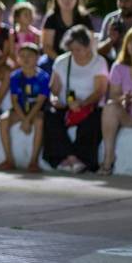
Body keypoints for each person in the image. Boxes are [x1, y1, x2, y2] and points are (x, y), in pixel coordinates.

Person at [43, 25, 108, 173]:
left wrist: (83, 103)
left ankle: (83, 159)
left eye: (78, 49)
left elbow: (100, 91)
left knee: (94, 120)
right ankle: (69, 158)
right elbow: (53, 90)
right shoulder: (61, 61)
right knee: (50, 115)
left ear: (87, 46)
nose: (75, 53)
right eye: (72, 50)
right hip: (67, 105)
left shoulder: (99, 62)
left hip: (90, 106)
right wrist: (55, 100)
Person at [99, 26, 132, 176]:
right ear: (126, 45)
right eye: (131, 41)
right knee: (110, 107)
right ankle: (108, 158)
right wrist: (124, 99)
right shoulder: (118, 67)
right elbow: (114, 94)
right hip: (127, 115)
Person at [0, 43, 49, 172]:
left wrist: (28, 119)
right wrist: (23, 119)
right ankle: (9, 160)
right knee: (3, 120)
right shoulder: (15, 76)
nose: (25, 59)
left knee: (39, 122)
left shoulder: (43, 77)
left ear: (37, 58)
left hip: (35, 110)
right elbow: (14, 101)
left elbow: (40, 102)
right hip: (20, 110)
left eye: (30, 56)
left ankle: (33, 161)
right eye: (22, 56)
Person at [39, 0, 93, 75]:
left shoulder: (84, 18)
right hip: (55, 59)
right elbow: (46, 46)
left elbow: (90, 43)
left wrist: (77, 61)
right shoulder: (51, 18)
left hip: (81, 59)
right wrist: (62, 62)